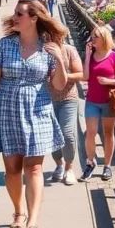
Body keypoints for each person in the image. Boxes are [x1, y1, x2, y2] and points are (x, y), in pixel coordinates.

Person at [0, 0, 68, 228]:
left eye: (20, 14)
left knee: (35, 168)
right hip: (7, 110)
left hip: (38, 111)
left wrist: (60, 59)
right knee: (13, 169)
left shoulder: (49, 48)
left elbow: (59, 85)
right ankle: (19, 213)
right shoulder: (5, 44)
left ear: (34, 18)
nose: (15, 18)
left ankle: (33, 222)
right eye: (15, 13)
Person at [81, 27, 115, 181]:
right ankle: (90, 162)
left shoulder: (114, 56)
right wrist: (88, 56)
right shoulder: (91, 55)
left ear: (104, 39)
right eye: (91, 36)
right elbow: (85, 77)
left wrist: (108, 81)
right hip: (92, 101)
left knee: (108, 133)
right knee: (91, 132)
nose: (92, 39)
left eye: (96, 36)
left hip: (109, 101)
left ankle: (107, 166)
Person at [49, 37, 84, 186]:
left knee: (67, 133)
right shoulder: (41, 50)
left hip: (68, 97)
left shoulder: (69, 50)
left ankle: (69, 168)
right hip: (47, 99)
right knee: (53, 134)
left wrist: (62, 76)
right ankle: (59, 164)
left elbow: (80, 74)